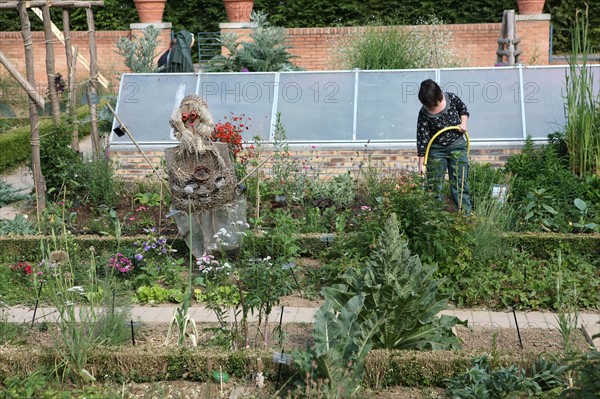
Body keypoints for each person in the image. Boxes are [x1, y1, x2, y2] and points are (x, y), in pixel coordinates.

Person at [416, 79, 472, 214]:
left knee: (460, 183)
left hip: (457, 146)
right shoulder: (423, 113)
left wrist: (463, 124)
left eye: (432, 104)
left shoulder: (451, 98)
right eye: (427, 105)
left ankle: (465, 217)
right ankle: (435, 219)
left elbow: (463, 110)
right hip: (436, 150)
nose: (430, 108)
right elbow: (422, 138)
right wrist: (421, 163)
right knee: (435, 186)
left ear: (438, 96)